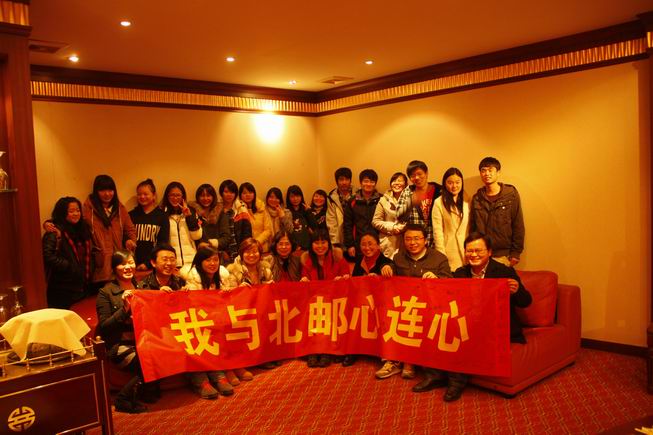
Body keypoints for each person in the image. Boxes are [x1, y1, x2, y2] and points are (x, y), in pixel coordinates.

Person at [443, 232, 533, 402]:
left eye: (478, 250)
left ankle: (456, 382)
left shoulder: (504, 272)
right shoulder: (461, 273)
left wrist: (516, 291)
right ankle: (434, 375)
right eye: (469, 251)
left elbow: (526, 301)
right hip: (469, 321)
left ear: (489, 252)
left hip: (497, 325)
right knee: (442, 326)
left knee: (467, 337)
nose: (474, 255)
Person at [388, 224, 451, 383]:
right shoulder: (398, 257)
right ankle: (397, 360)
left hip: (432, 306)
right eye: (408, 239)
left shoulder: (439, 258)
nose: (412, 243)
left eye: (416, 238)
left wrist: (437, 279)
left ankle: (408, 362)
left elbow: (450, 284)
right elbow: (391, 277)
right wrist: (385, 267)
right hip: (406, 305)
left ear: (425, 240)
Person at [96, 250, 148, 413]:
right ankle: (123, 398)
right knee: (147, 362)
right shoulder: (106, 293)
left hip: (143, 341)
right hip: (119, 345)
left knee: (161, 355)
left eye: (130, 262)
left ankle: (145, 391)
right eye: (122, 264)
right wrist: (124, 309)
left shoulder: (142, 287)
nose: (127, 267)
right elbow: (105, 326)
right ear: (114, 268)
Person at [179, 246, 233, 399]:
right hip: (196, 323)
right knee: (198, 337)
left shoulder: (222, 278)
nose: (212, 263)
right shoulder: (192, 280)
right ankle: (199, 379)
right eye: (208, 260)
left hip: (216, 321)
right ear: (199, 262)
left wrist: (231, 293)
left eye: (215, 260)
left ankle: (218, 374)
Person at [224, 238, 274, 384]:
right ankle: (236, 365)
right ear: (241, 253)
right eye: (247, 252)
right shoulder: (233, 271)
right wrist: (238, 290)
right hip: (240, 312)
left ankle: (261, 357)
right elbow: (228, 295)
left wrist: (270, 286)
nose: (251, 255)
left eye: (255, 252)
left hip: (260, 310)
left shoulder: (265, 269)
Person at [300, 229, 350, 368]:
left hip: (334, 301)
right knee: (313, 314)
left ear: (329, 244)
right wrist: (303, 281)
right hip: (315, 303)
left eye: (323, 242)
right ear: (311, 245)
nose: (320, 246)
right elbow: (304, 285)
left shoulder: (338, 259)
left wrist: (343, 279)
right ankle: (313, 350)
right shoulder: (307, 262)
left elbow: (347, 279)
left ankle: (325, 351)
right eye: (316, 242)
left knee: (328, 314)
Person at [346, 232, 394, 367]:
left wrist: (379, 277)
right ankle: (352, 350)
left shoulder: (386, 262)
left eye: (370, 244)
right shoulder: (359, 262)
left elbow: (391, 285)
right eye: (363, 244)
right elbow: (354, 283)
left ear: (378, 246)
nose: (367, 248)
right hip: (361, 302)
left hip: (380, 303)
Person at [83, 174, 137, 291]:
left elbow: (130, 229)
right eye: (102, 190)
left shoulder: (120, 208)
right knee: (100, 296)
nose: (107, 194)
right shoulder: (88, 209)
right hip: (98, 265)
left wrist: (130, 241)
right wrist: (49, 224)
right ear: (96, 191)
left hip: (118, 263)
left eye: (110, 190)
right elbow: (75, 223)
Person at [469, 157, 525, 267]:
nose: (487, 173)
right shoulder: (477, 198)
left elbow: (518, 224)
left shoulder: (511, 195)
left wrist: (515, 253)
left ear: (498, 173)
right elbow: (473, 227)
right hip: (481, 254)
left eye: (490, 170)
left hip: (503, 255)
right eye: (483, 170)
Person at [42, 196, 93, 309]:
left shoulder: (83, 228)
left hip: (82, 285)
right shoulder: (54, 232)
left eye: (78, 210)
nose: (76, 214)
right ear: (62, 213)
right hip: (62, 288)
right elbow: (47, 256)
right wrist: (67, 266)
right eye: (71, 211)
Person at [395, 160, 442, 247]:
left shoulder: (439, 191)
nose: (416, 177)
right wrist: (411, 202)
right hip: (415, 242)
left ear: (426, 173)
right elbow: (399, 216)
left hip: (437, 239)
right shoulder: (408, 191)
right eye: (412, 175)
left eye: (419, 174)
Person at [432, 168, 470, 271]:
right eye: (450, 183)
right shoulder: (439, 202)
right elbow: (437, 232)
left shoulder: (468, 200)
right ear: (444, 184)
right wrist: (441, 256)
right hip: (449, 250)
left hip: (467, 251)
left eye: (457, 182)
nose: (454, 186)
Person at [128, 179, 170, 270]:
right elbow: (126, 237)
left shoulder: (162, 216)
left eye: (145, 194)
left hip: (153, 264)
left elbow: (162, 243)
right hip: (132, 263)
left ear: (153, 195)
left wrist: (148, 264)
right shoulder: (130, 215)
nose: (142, 197)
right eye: (139, 194)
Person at [160, 181, 202, 267]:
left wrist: (189, 217)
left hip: (191, 261)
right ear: (167, 196)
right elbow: (161, 242)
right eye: (172, 195)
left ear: (183, 196)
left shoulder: (191, 211)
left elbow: (197, 236)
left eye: (178, 195)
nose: (175, 198)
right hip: (171, 262)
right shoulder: (161, 213)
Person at [344, 169, 382, 258]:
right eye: (366, 181)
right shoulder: (352, 201)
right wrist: (350, 245)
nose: (368, 184)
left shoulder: (382, 199)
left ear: (375, 183)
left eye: (372, 182)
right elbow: (347, 225)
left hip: (378, 243)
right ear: (360, 182)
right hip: (359, 244)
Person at [372, 172, 407, 259]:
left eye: (400, 181)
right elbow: (375, 221)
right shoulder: (383, 200)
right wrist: (392, 227)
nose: (397, 183)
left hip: (406, 242)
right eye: (394, 181)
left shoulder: (410, 199)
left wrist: (404, 227)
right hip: (388, 243)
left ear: (405, 184)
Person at [217, 179, 252, 262]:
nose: (229, 195)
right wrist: (221, 251)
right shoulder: (216, 209)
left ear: (235, 194)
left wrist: (242, 252)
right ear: (221, 193)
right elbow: (215, 233)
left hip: (239, 252)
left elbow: (247, 234)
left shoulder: (241, 209)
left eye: (232, 192)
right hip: (222, 253)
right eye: (226, 192)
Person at [239, 182, 273, 254]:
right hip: (245, 250)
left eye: (250, 192)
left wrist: (256, 242)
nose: (248, 195)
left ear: (254, 194)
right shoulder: (239, 210)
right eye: (244, 193)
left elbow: (268, 230)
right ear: (240, 195)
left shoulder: (262, 208)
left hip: (262, 248)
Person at [326, 167, 353, 252]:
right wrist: (335, 243)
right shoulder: (331, 197)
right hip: (340, 238)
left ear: (350, 180)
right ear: (337, 181)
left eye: (347, 179)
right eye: (341, 179)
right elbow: (331, 221)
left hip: (355, 237)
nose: (344, 182)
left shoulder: (358, 194)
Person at [286, 185, 317, 251]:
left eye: (297, 196)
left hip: (307, 245)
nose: (295, 199)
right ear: (288, 198)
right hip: (293, 247)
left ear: (301, 197)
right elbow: (287, 231)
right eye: (292, 196)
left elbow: (314, 226)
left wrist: (309, 212)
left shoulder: (306, 210)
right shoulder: (286, 212)